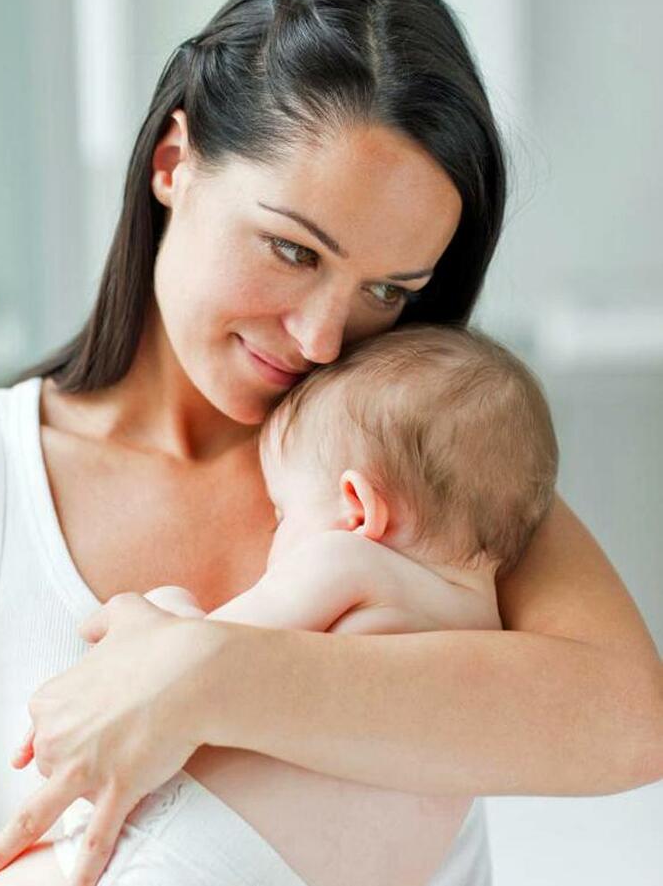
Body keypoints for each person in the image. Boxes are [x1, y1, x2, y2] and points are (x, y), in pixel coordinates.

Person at [0, 0, 659, 885]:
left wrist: (205, 674)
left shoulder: (420, 460)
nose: (322, 337)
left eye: (387, 290)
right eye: (292, 249)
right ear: (172, 161)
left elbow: (629, 723)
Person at [50, 322, 560, 886]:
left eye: (283, 512)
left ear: (357, 508)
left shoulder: (348, 561)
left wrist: (152, 614)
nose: (276, 534)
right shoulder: (493, 639)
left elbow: (197, 655)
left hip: (193, 863)